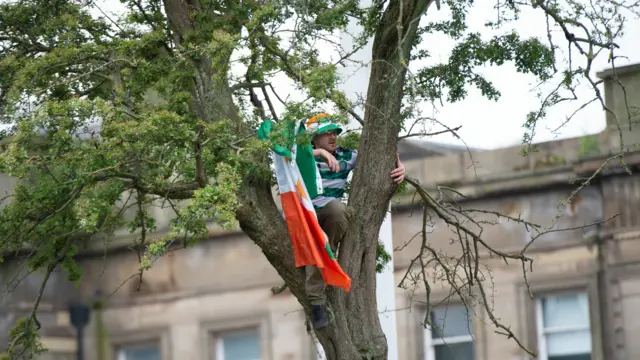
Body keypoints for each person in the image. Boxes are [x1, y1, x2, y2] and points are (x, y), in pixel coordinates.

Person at [304, 114, 406, 329]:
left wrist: (401, 167)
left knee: (335, 216)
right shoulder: (304, 157)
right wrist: (319, 153)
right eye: (326, 133)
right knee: (319, 245)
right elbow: (286, 159)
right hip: (306, 216)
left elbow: (378, 160)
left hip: (331, 214)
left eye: (334, 133)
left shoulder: (347, 156)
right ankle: (316, 301)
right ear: (314, 138)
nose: (332, 137)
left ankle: (317, 300)